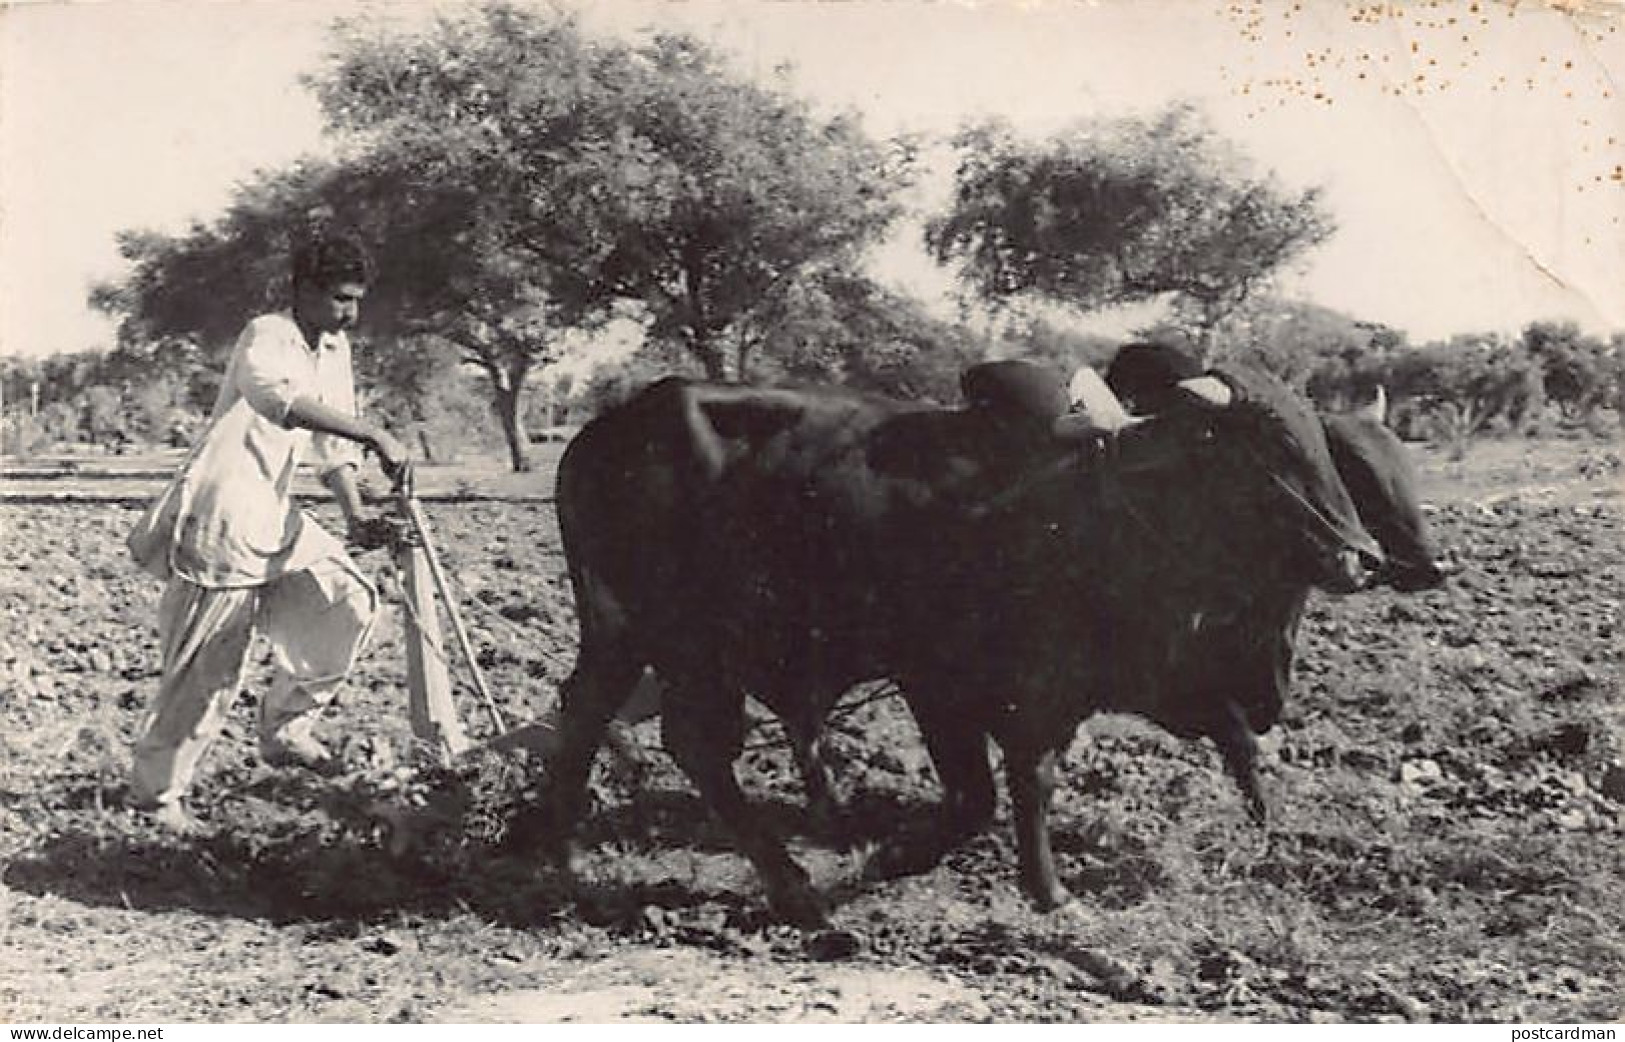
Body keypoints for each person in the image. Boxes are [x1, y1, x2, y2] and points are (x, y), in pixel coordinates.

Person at [125, 231, 411, 833]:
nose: (349, 315)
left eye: (356, 300)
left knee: (349, 601)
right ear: (303, 290)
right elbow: (275, 401)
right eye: (338, 299)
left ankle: (284, 728)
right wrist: (375, 434)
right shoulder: (268, 334)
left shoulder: (332, 348)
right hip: (221, 512)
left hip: (272, 513)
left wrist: (356, 513)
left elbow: (330, 446)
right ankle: (156, 798)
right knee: (208, 665)